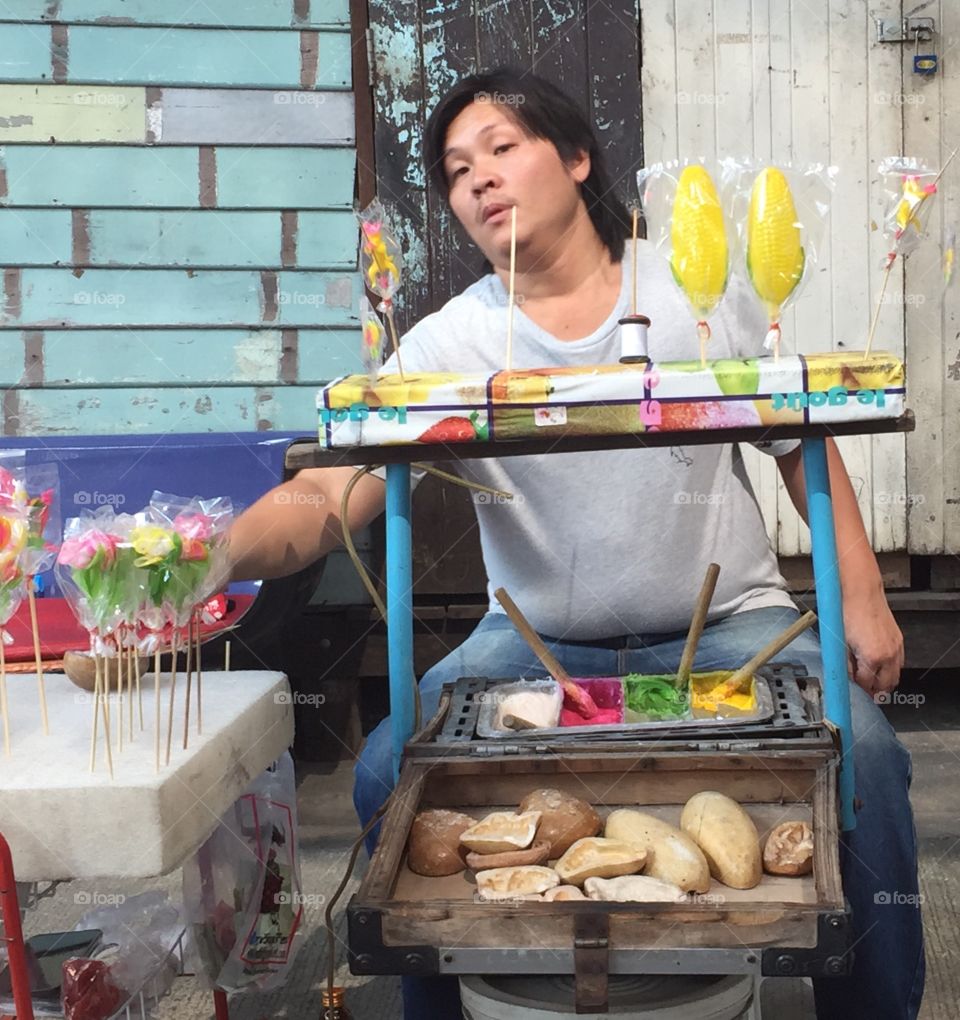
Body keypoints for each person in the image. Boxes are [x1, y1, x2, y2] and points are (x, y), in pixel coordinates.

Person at [230, 69, 924, 1020]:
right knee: (393, 768)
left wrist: (868, 599)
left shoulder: (691, 293)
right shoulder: (448, 341)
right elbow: (323, 494)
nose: (477, 179)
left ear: (578, 157)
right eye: (455, 168)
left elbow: (804, 436)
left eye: (502, 148)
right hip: (536, 649)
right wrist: (218, 552)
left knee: (870, 758)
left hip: (728, 629)